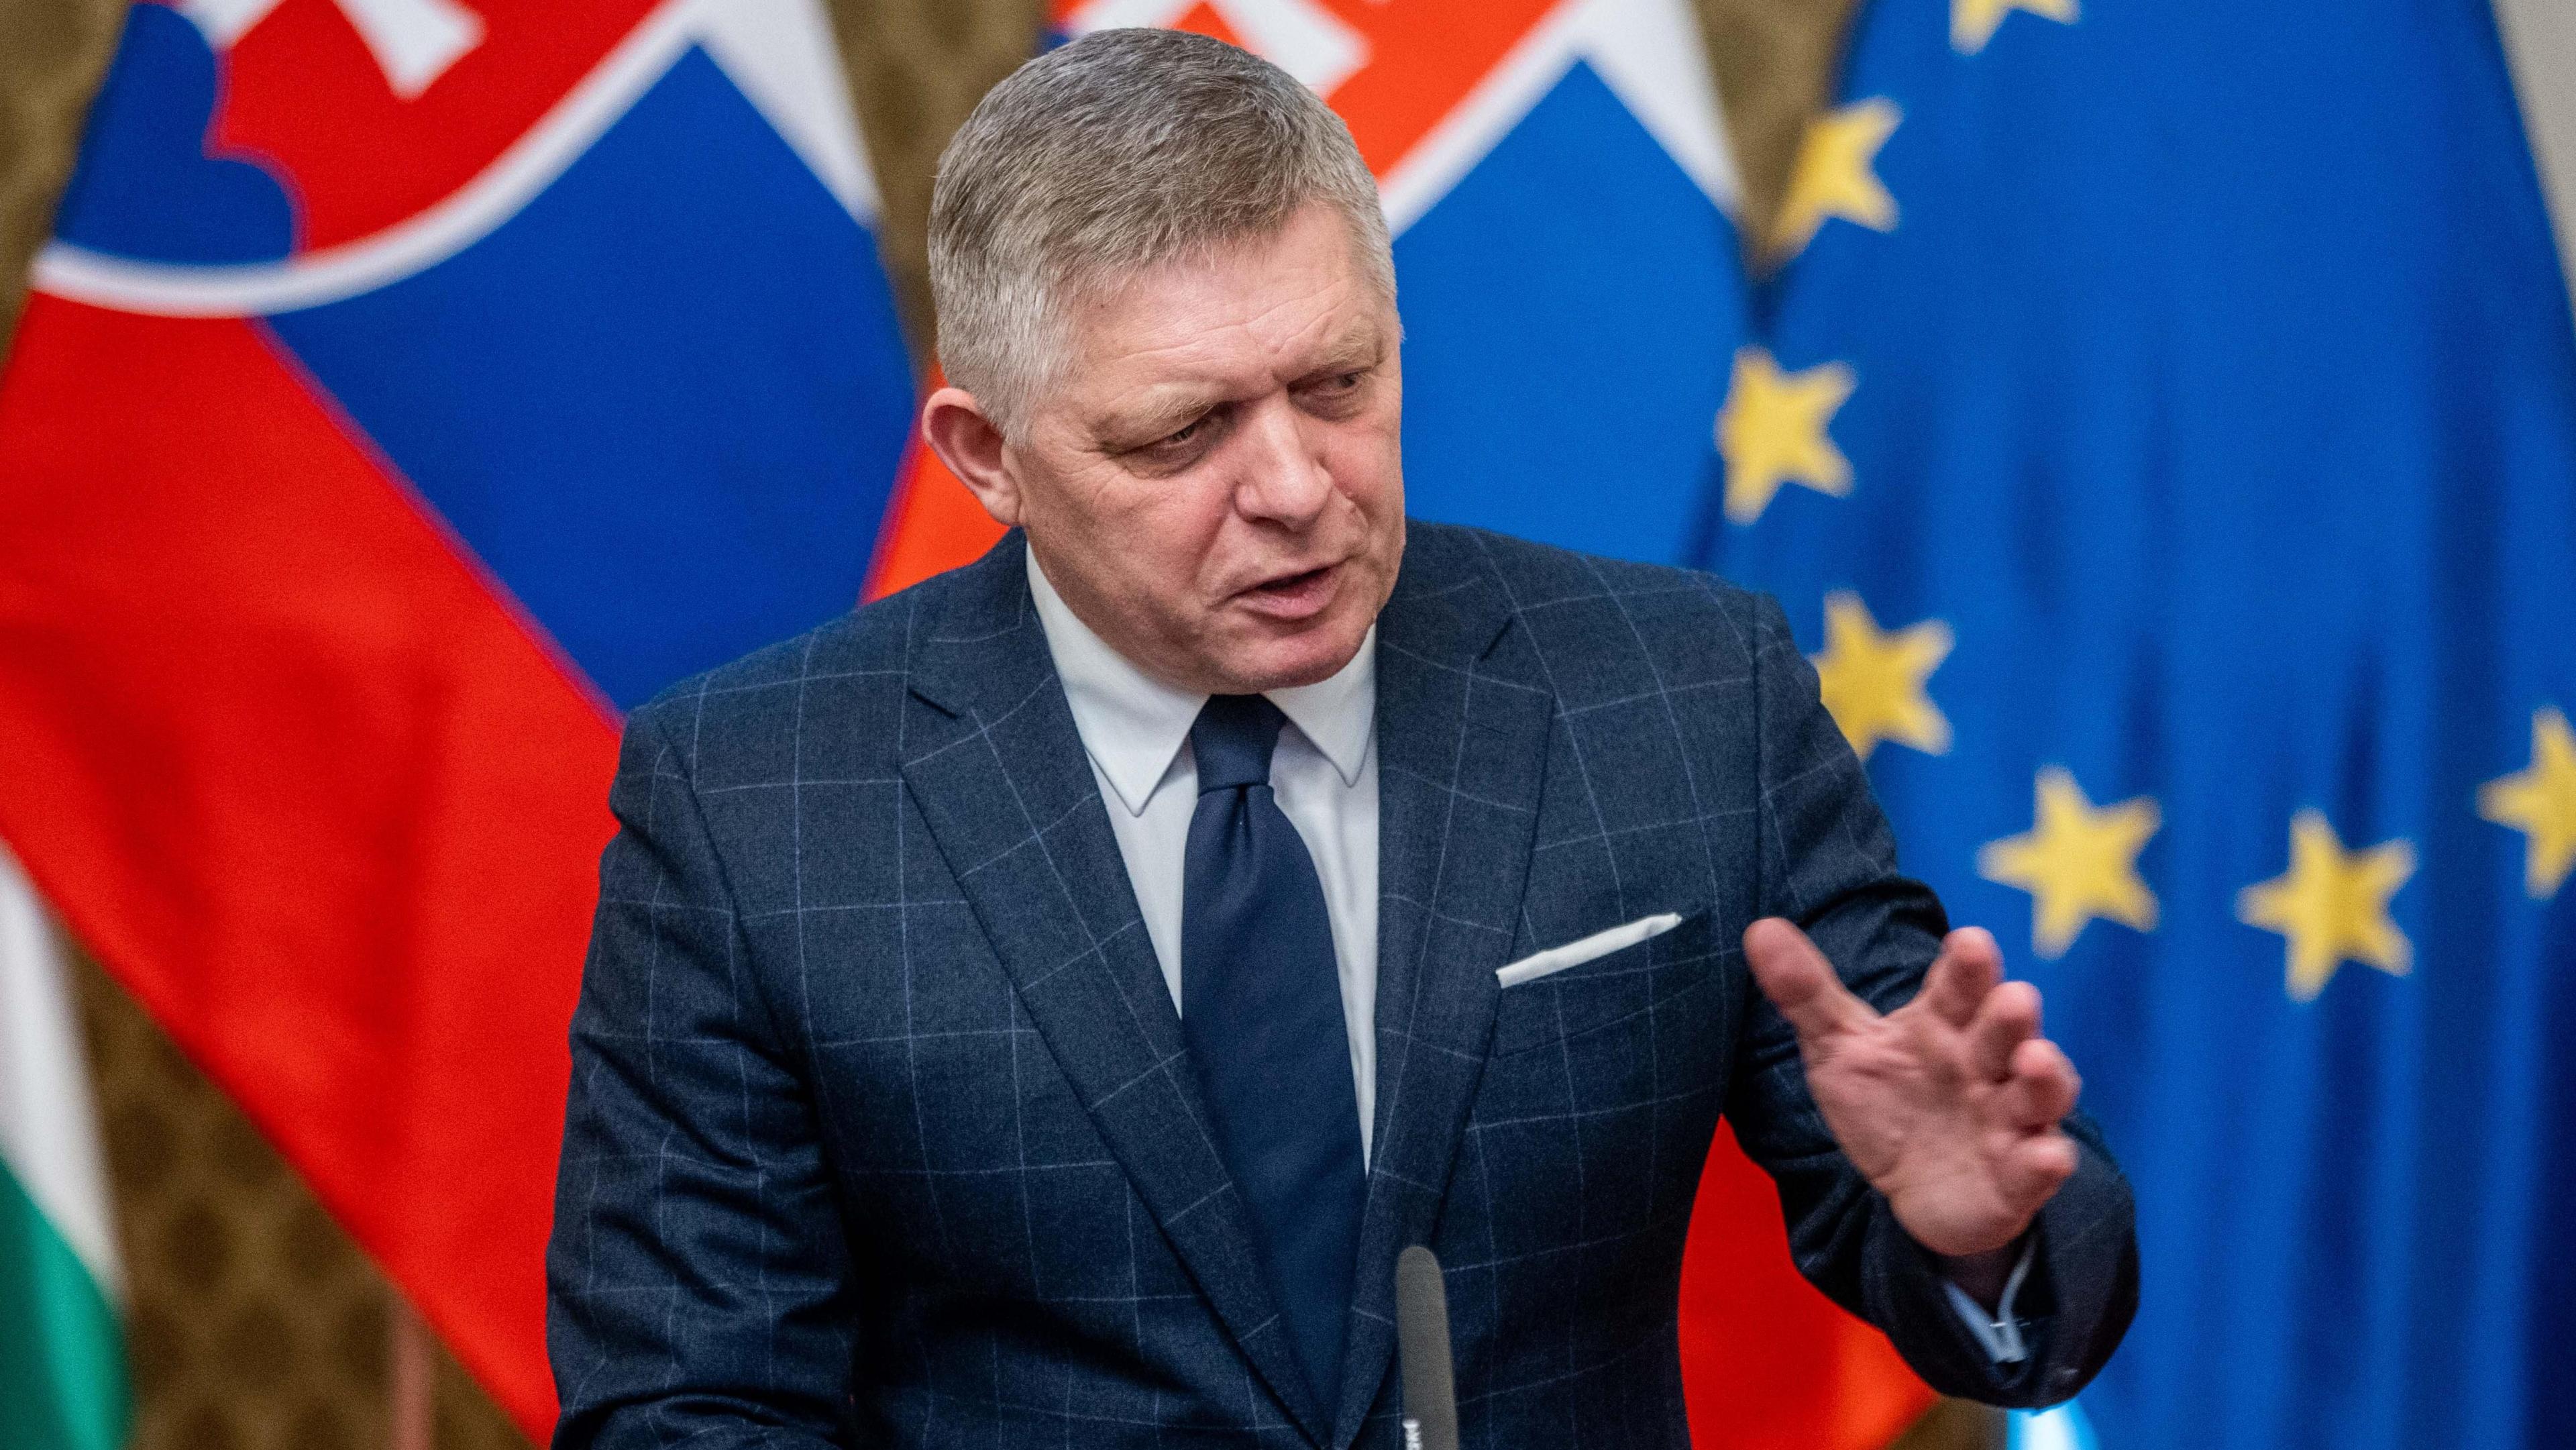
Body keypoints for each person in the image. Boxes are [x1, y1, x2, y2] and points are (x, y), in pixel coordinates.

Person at [545, 28, 2137, 1449]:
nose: (1297, 485)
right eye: (1182, 431)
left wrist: (1977, 1234)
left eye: (1338, 382)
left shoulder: (1682, 693)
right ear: (989, 455)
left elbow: (1961, 1214)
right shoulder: (756, 806)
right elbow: (693, 1405)